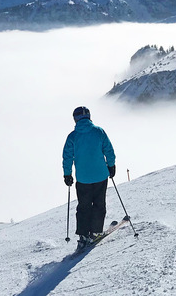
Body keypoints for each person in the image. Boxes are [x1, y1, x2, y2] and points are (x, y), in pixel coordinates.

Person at [62, 106, 116, 249]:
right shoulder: (99, 131)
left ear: (75, 119)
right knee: (99, 204)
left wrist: (67, 174)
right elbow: (108, 150)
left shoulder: (72, 136)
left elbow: (67, 157)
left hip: (83, 179)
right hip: (100, 176)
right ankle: (96, 232)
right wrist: (111, 166)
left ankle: (83, 235)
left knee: (84, 206)